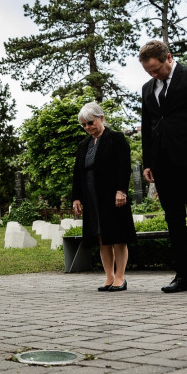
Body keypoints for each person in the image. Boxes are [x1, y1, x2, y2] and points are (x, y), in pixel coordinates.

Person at [139, 40, 187, 294]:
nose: (153, 74)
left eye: (156, 69)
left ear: (168, 57)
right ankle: (182, 274)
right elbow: (148, 126)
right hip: (163, 164)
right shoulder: (147, 88)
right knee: (173, 219)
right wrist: (148, 162)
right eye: (148, 71)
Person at [72, 102, 137, 292]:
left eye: (90, 122)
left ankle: (120, 277)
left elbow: (124, 166)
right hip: (91, 196)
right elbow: (77, 173)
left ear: (101, 118)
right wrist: (76, 198)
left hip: (113, 195)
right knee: (101, 236)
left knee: (117, 236)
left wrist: (121, 190)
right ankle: (109, 276)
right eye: (84, 125)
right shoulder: (83, 145)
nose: (87, 127)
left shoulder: (116, 138)